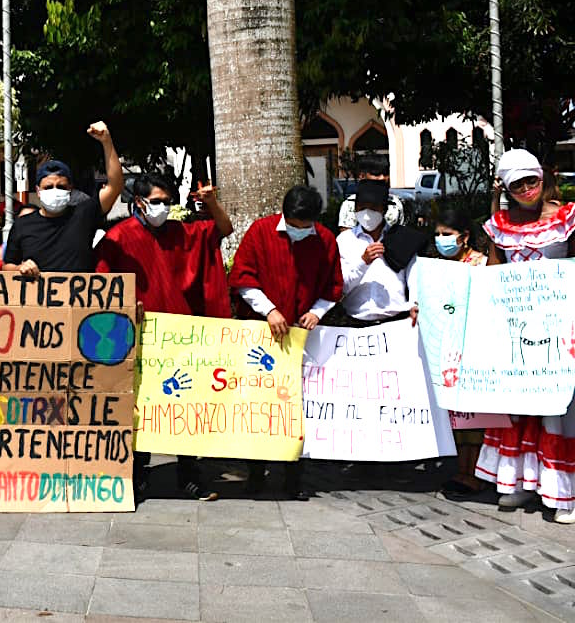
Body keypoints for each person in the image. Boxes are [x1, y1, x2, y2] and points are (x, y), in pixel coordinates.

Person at [475, 149, 575, 524]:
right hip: (518, 328)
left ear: (542, 178)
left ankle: (570, 492)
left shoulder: (568, 217)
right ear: (506, 188)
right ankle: (523, 482)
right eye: (516, 184)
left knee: (565, 407)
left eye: (531, 181)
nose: (525, 189)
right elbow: (494, 270)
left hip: (562, 325)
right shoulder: (499, 225)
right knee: (523, 405)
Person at [95, 172, 233, 501]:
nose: (162, 208)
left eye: (166, 202)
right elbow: (101, 283)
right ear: (139, 203)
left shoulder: (181, 232)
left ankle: (189, 474)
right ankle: (138, 474)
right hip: (138, 338)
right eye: (156, 202)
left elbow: (222, 230)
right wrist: (126, 305)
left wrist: (212, 203)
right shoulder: (118, 237)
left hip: (180, 338)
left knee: (185, 406)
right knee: (142, 408)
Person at [229, 184, 343, 500]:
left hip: (301, 338)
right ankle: (256, 473)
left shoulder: (325, 240)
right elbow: (242, 278)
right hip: (262, 337)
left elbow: (334, 285)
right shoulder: (260, 231)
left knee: (296, 407)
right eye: (294, 225)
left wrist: (318, 311)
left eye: (306, 227)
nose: (300, 231)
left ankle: (294, 476)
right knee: (259, 405)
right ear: (285, 215)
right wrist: (270, 310)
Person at [3, 121, 123, 275]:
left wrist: (106, 141)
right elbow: (6, 266)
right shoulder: (22, 225)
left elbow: (115, 185)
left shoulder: (84, 214)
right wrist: (21, 268)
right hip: (39, 298)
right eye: (48, 187)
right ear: (38, 191)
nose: (55, 191)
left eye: (61, 187)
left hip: (80, 297)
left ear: (70, 189)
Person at [430, 206, 489, 500]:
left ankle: (475, 473)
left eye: (447, 234)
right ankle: (461, 470)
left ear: (464, 237)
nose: (442, 240)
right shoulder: (435, 268)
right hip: (447, 350)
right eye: (438, 234)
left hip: (475, 348)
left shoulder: (481, 264)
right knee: (457, 415)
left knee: (475, 416)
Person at [334, 179, 425, 327]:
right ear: (355, 209)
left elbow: (414, 275)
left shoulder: (402, 238)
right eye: (362, 207)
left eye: (374, 208)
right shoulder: (344, 241)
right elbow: (341, 285)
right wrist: (363, 262)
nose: (367, 214)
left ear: (384, 209)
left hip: (396, 321)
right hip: (356, 323)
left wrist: (415, 303)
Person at [337, 154, 406, 232]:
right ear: (362, 176)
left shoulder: (395, 203)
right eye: (376, 174)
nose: (382, 178)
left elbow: (401, 235)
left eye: (385, 173)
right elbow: (346, 237)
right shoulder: (350, 204)